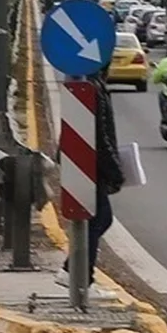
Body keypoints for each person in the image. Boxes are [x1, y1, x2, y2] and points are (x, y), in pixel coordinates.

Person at [55, 63, 124, 300]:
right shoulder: (92, 89)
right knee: (97, 219)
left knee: (97, 219)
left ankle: (73, 272)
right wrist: (115, 171)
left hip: (84, 163)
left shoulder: (88, 85)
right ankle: (80, 278)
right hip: (89, 165)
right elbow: (101, 137)